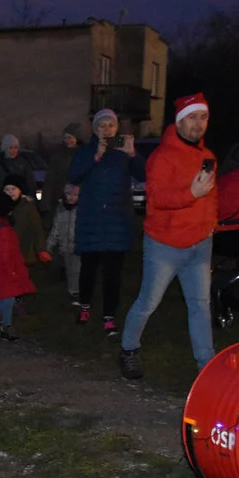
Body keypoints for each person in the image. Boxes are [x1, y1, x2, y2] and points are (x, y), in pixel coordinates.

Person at [119, 93, 218, 380]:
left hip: (200, 244)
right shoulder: (162, 156)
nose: (198, 124)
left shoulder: (208, 156)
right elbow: (157, 198)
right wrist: (191, 194)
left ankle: (206, 366)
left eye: (203, 117)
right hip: (165, 245)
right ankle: (129, 349)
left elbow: (212, 197)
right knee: (148, 302)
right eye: (192, 117)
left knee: (200, 305)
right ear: (179, 121)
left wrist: (212, 224)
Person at [68, 108, 146, 337]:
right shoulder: (86, 151)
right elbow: (74, 176)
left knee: (113, 272)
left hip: (117, 220)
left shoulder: (123, 151)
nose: (107, 130)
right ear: (95, 130)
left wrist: (133, 155)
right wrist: (95, 157)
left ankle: (109, 317)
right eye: (102, 126)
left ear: (117, 128)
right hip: (92, 219)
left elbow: (144, 175)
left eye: (110, 126)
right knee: (89, 269)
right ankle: (84, 307)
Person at [0, 186, 36, 342]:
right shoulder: (3, 229)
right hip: (6, 269)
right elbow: (5, 252)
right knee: (7, 297)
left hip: (5, 267)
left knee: (9, 297)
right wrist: (12, 270)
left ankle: (5, 324)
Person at [3, 175, 51, 305]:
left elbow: (37, 229)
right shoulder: (2, 208)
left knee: (21, 275)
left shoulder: (28, 207)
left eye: (13, 188)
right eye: (7, 189)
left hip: (24, 249)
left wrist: (41, 249)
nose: (10, 192)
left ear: (20, 190)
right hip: (7, 251)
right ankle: (12, 298)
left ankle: (20, 299)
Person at [46, 183, 82, 304]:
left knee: (76, 269)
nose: (71, 197)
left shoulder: (81, 210)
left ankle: (75, 292)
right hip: (64, 245)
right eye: (68, 194)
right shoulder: (61, 209)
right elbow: (56, 228)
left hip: (77, 245)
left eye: (75, 195)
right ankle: (72, 291)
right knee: (69, 269)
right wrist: (49, 245)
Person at [42, 123, 83, 227]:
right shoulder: (58, 155)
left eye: (70, 137)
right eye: (65, 138)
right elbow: (50, 178)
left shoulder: (83, 154)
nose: (67, 140)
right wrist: (46, 200)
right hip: (59, 197)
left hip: (78, 197)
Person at [0, 133, 34, 213]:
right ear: (5, 148)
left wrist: (32, 201)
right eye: (11, 148)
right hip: (0, 204)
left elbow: (30, 183)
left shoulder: (23, 164)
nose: (13, 150)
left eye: (16, 148)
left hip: (19, 204)